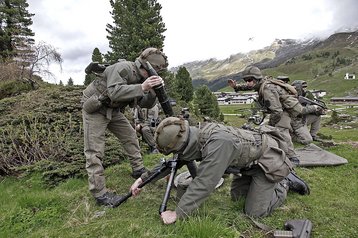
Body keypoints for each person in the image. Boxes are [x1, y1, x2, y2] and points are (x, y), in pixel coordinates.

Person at [130, 117, 310, 224]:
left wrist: (178, 213)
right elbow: (173, 163)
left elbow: (205, 182)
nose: (177, 155)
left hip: (267, 163)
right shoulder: (192, 137)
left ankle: (284, 182)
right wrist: (142, 180)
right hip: (247, 167)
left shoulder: (218, 143)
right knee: (237, 199)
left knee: (255, 213)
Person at [81, 47, 168, 207]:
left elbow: (145, 103)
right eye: (156, 70)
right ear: (145, 67)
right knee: (94, 152)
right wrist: (142, 87)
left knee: (130, 136)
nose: (155, 73)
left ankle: (138, 170)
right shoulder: (123, 68)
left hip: (113, 110)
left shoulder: (142, 79)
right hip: (95, 109)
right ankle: (100, 195)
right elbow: (114, 92)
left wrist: (154, 90)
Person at [228, 66, 321, 166]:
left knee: (281, 131)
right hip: (282, 108)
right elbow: (250, 86)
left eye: (249, 80)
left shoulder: (268, 89)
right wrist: (236, 87)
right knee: (276, 130)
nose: (247, 82)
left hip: (286, 110)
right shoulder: (261, 83)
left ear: (256, 79)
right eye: (246, 80)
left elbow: (277, 111)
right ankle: (278, 150)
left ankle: (292, 158)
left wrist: (271, 125)